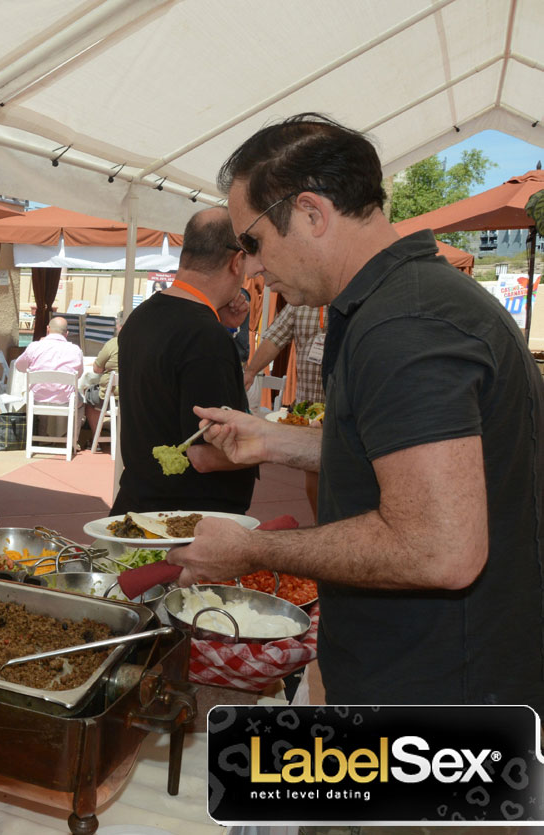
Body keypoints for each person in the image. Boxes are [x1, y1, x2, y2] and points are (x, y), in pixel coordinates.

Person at [170, 113, 544, 710]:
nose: (255, 267)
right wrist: (275, 441)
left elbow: (438, 547)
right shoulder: (406, 302)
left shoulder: (406, 324)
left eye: (253, 243)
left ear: (314, 213)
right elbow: (417, 458)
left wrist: (252, 550)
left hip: (439, 699)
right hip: (437, 675)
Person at [109, 207, 255, 517]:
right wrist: (274, 441)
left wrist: (224, 325)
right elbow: (206, 453)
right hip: (185, 522)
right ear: (236, 261)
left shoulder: (141, 316)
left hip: (140, 503)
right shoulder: (205, 336)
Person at [242, 301, 328, 516]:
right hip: (308, 407)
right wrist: (251, 371)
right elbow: (274, 338)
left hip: (346, 405)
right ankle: (322, 524)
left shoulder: (355, 298)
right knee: (314, 472)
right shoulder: (301, 301)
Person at [13, 316, 84, 404]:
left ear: (47, 329)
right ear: (67, 333)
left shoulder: (34, 347)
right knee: (81, 402)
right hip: (65, 401)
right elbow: (78, 375)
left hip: (36, 400)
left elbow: (19, 367)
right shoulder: (75, 350)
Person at [82, 318, 120, 431]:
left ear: (120, 327)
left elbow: (97, 369)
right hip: (135, 396)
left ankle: (95, 438)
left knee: (88, 394)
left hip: (112, 396)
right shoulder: (142, 344)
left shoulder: (114, 343)